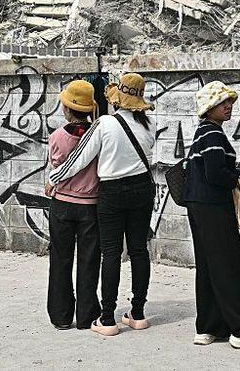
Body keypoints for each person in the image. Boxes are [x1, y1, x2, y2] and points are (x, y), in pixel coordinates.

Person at [48, 72, 157, 336]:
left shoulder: (105, 124)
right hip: (143, 188)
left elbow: (79, 159)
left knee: (110, 254)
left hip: (112, 191)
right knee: (139, 251)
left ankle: (107, 318)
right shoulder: (150, 124)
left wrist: (54, 178)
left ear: (117, 99)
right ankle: (138, 313)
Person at [184, 81, 240, 349]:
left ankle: (210, 326)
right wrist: (239, 180)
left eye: (229, 102)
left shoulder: (203, 133)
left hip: (198, 205)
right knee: (230, 267)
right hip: (213, 206)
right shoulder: (213, 136)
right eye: (221, 103)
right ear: (208, 108)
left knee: (210, 266)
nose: (228, 107)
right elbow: (215, 174)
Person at [45, 80, 101, 331]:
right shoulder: (98, 135)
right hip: (91, 205)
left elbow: (54, 168)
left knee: (60, 259)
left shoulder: (57, 136)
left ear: (66, 109)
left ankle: (61, 315)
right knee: (88, 260)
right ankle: (87, 315)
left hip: (62, 205)